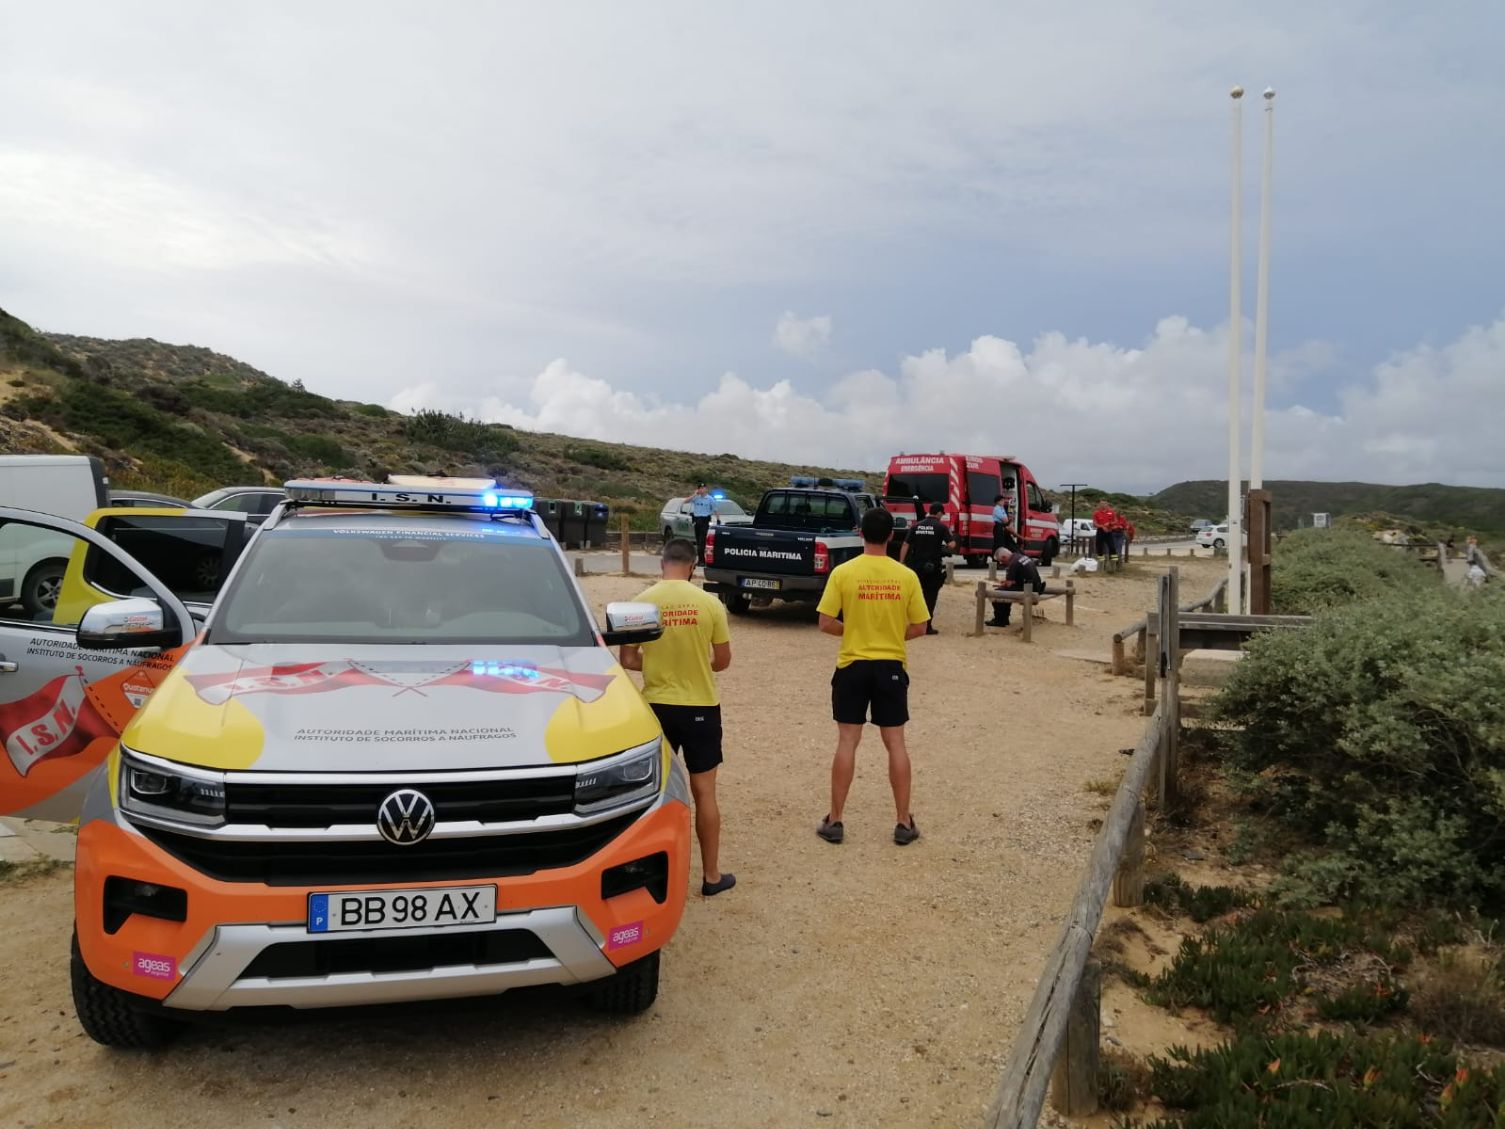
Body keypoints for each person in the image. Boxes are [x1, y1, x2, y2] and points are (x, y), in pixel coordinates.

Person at [619, 537, 736, 896]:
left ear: (661, 563)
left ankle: (648, 876)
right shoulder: (710, 603)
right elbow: (723, 661)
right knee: (704, 792)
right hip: (700, 705)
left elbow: (627, 660)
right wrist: (697, 665)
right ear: (694, 565)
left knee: (652, 794)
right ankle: (712, 876)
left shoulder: (639, 603)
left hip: (656, 707)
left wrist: (654, 664)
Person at [815, 507, 929, 846]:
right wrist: (893, 635)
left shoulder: (844, 572)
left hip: (852, 665)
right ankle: (903, 822)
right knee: (896, 742)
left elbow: (824, 622)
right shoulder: (905, 576)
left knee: (847, 741)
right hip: (890, 666)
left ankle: (835, 820)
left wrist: (853, 631)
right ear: (891, 536)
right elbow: (920, 626)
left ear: (860, 533)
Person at [899, 502, 956, 635]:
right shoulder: (941, 527)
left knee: (913, 595)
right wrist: (947, 542)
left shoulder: (916, 526)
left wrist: (901, 562)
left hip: (916, 566)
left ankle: (909, 621)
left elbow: (905, 544)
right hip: (932, 567)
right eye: (942, 514)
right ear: (939, 513)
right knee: (930, 596)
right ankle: (927, 626)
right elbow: (952, 545)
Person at [986, 546, 1046, 628]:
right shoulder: (1020, 556)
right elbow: (1018, 578)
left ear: (1004, 557)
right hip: (1036, 586)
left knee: (997, 593)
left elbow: (1009, 584)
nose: (1002, 563)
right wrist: (1008, 582)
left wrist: (1003, 583)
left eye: (1001, 561)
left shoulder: (1013, 563)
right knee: (1005, 591)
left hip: (1028, 590)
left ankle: (1000, 620)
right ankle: (1004, 619)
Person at [688, 484, 717, 564]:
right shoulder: (696, 498)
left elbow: (715, 510)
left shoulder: (710, 499)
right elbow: (685, 501)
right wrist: (694, 494)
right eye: (700, 488)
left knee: (702, 541)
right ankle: (701, 560)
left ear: (706, 489)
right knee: (698, 541)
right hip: (697, 522)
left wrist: (718, 520)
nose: (701, 490)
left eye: (703, 488)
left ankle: (702, 560)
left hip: (705, 522)